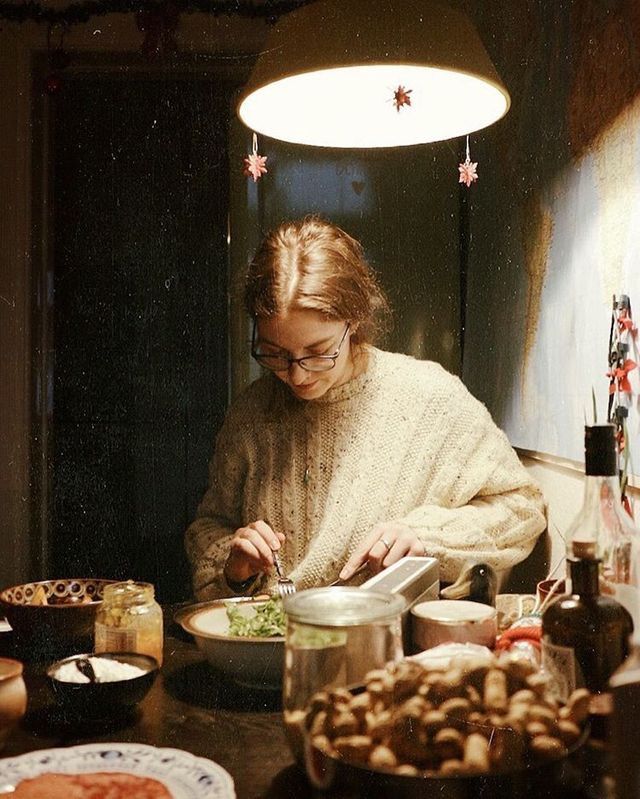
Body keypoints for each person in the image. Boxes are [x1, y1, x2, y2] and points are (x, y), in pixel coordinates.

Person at [185, 216, 546, 600]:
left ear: (354, 320)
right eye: (274, 354)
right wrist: (234, 564)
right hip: (273, 642)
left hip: (386, 642)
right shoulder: (253, 413)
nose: (296, 375)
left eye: (318, 352)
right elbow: (209, 528)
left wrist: (427, 539)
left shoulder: (429, 398)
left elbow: (522, 509)